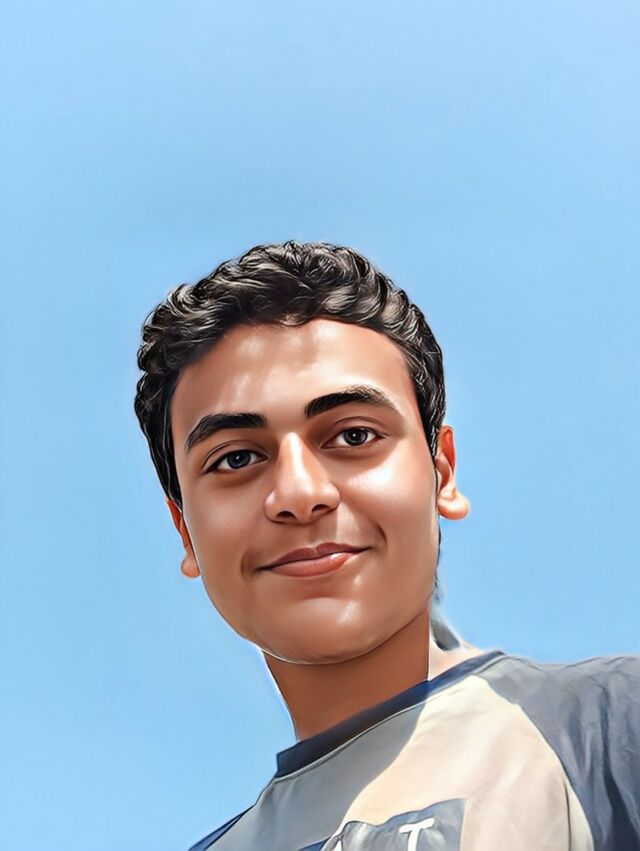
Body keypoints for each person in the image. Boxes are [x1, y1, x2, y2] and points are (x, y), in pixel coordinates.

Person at [134, 241, 639, 851]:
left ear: (442, 474)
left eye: (353, 435)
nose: (299, 494)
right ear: (185, 531)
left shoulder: (612, 729)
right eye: (236, 459)